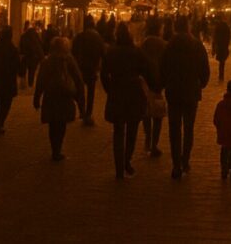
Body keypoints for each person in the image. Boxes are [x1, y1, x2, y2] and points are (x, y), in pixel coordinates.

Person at [160, 17, 211, 179]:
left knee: (174, 129)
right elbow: (205, 69)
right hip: (191, 91)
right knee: (188, 128)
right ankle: (185, 160)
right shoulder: (196, 44)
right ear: (188, 27)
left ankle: (176, 164)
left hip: (174, 91)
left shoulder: (169, 45)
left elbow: (162, 67)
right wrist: (201, 83)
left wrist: (164, 83)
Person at [100, 22, 151, 180]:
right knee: (132, 130)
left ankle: (119, 167)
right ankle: (127, 160)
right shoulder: (136, 51)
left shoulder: (111, 52)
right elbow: (146, 70)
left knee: (118, 131)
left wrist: (110, 88)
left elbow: (103, 74)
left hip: (117, 92)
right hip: (134, 93)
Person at [33, 37, 85, 161]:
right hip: (65, 96)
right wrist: (81, 103)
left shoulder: (47, 61)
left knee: (53, 124)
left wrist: (36, 97)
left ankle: (54, 149)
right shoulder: (69, 60)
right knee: (61, 125)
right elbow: (78, 80)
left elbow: (41, 81)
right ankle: (58, 149)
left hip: (51, 96)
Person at [71, 15, 106, 126]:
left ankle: (82, 110)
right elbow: (103, 53)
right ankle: (88, 113)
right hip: (92, 68)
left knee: (79, 90)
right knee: (91, 92)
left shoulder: (79, 36)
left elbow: (73, 51)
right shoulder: (98, 37)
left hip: (80, 67)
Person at [140, 19, 167, 157]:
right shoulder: (163, 44)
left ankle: (148, 138)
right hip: (157, 83)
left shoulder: (144, 43)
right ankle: (154, 144)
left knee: (147, 112)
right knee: (157, 114)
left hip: (146, 82)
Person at [19, 22, 44, 89]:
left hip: (26, 56)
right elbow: (40, 46)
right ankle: (30, 83)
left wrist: (21, 54)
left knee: (24, 70)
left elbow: (21, 46)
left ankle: (23, 84)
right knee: (32, 71)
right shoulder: (36, 36)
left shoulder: (23, 36)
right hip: (34, 57)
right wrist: (41, 57)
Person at [212, 16, 231, 83]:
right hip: (224, 46)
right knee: (222, 61)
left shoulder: (218, 27)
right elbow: (229, 37)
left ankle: (221, 75)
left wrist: (214, 47)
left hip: (219, 45)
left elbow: (215, 37)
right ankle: (221, 75)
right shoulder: (227, 27)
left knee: (221, 61)